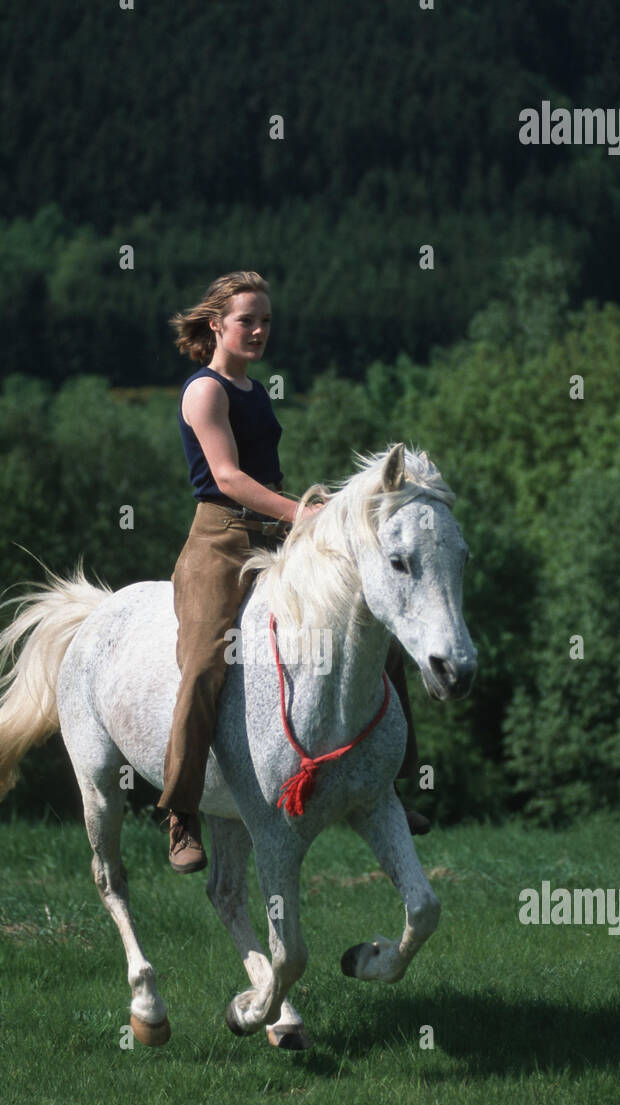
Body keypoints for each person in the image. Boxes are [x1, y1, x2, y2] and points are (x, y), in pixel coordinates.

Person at [158, 270, 427, 873]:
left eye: (266, 321)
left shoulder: (255, 387)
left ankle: (393, 784)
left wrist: (302, 519)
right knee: (204, 661)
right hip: (219, 541)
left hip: (279, 532)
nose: (258, 330)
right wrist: (301, 512)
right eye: (246, 320)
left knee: (372, 620)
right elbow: (226, 478)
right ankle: (180, 812)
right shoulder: (205, 391)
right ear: (216, 325)